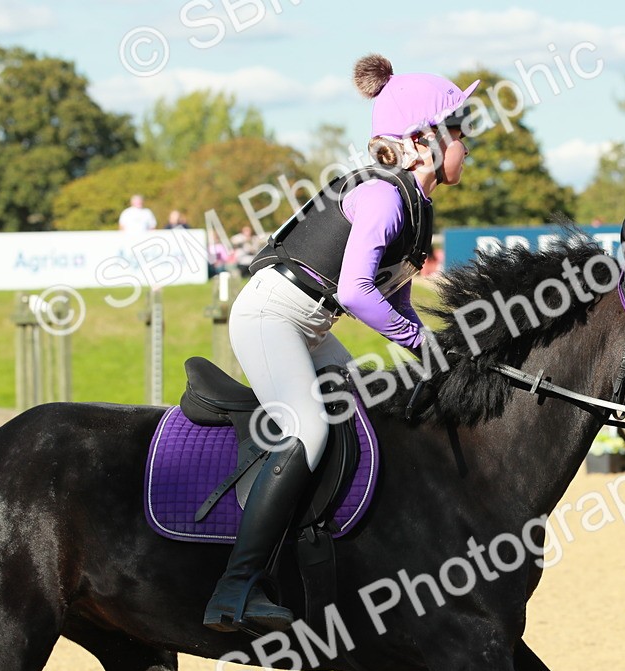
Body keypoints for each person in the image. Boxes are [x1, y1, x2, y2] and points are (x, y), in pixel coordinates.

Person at [202, 54, 478, 633]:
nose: (467, 143)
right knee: (310, 428)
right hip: (272, 317)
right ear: (424, 138)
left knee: (365, 415)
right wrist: (416, 340)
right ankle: (235, 588)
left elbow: (393, 296)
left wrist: (434, 351)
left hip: (310, 326)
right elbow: (355, 293)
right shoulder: (382, 196)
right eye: (460, 129)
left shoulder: (415, 202)